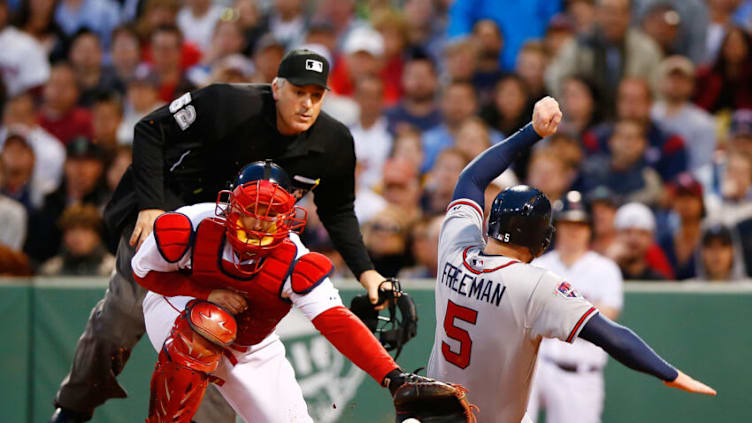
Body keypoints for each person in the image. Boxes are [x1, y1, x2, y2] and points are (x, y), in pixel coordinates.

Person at [50, 48, 390, 423]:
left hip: (242, 248)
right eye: (298, 92)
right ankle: (73, 409)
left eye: (316, 95)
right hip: (173, 227)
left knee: (216, 343)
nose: (307, 103)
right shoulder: (226, 102)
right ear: (277, 88)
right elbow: (150, 130)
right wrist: (151, 206)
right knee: (120, 319)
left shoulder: (334, 141)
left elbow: (338, 209)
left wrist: (367, 271)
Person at [426, 96, 715, 423]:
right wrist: (670, 373)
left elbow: (471, 178)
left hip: (436, 412)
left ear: (492, 222)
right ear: (542, 240)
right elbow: (613, 337)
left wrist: (530, 133)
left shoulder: (454, 245)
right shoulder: (534, 285)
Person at [133, 160, 416, 422]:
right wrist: (203, 293)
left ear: (287, 217)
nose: (259, 224)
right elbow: (144, 272)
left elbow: (336, 320)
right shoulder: (193, 223)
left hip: (251, 340)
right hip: (179, 306)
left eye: (270, 215)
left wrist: (392, 376)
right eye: (253, 212)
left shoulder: (295, 258)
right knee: (208, 325)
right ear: (231, 207)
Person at [527, 190, 623, 423]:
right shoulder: (539, 264)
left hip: (579, 372)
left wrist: (552, 313)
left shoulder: (605, 268)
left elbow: (606, 316)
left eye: (580, 224)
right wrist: (577, 312)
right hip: (537, 366)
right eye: (567, 223)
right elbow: (526, 315)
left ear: (589, 229)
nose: (573, 231)